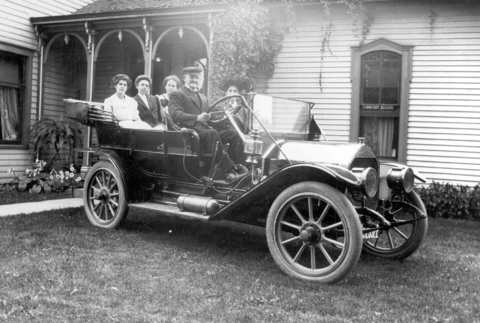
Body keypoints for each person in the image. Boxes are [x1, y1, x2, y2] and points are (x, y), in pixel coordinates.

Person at [168, 66, 247, 183]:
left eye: (197, 78)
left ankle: (239, 168)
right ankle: (229, 172)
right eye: (192, 77)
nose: (195, 80)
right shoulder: (177, 94)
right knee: (212, 133)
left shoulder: (203, 97)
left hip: (204, 130)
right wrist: (197, 118)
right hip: (190, 130)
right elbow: (175, 114)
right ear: (184, 78)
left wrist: (220, 116)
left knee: (232, 133)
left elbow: (209, 117)